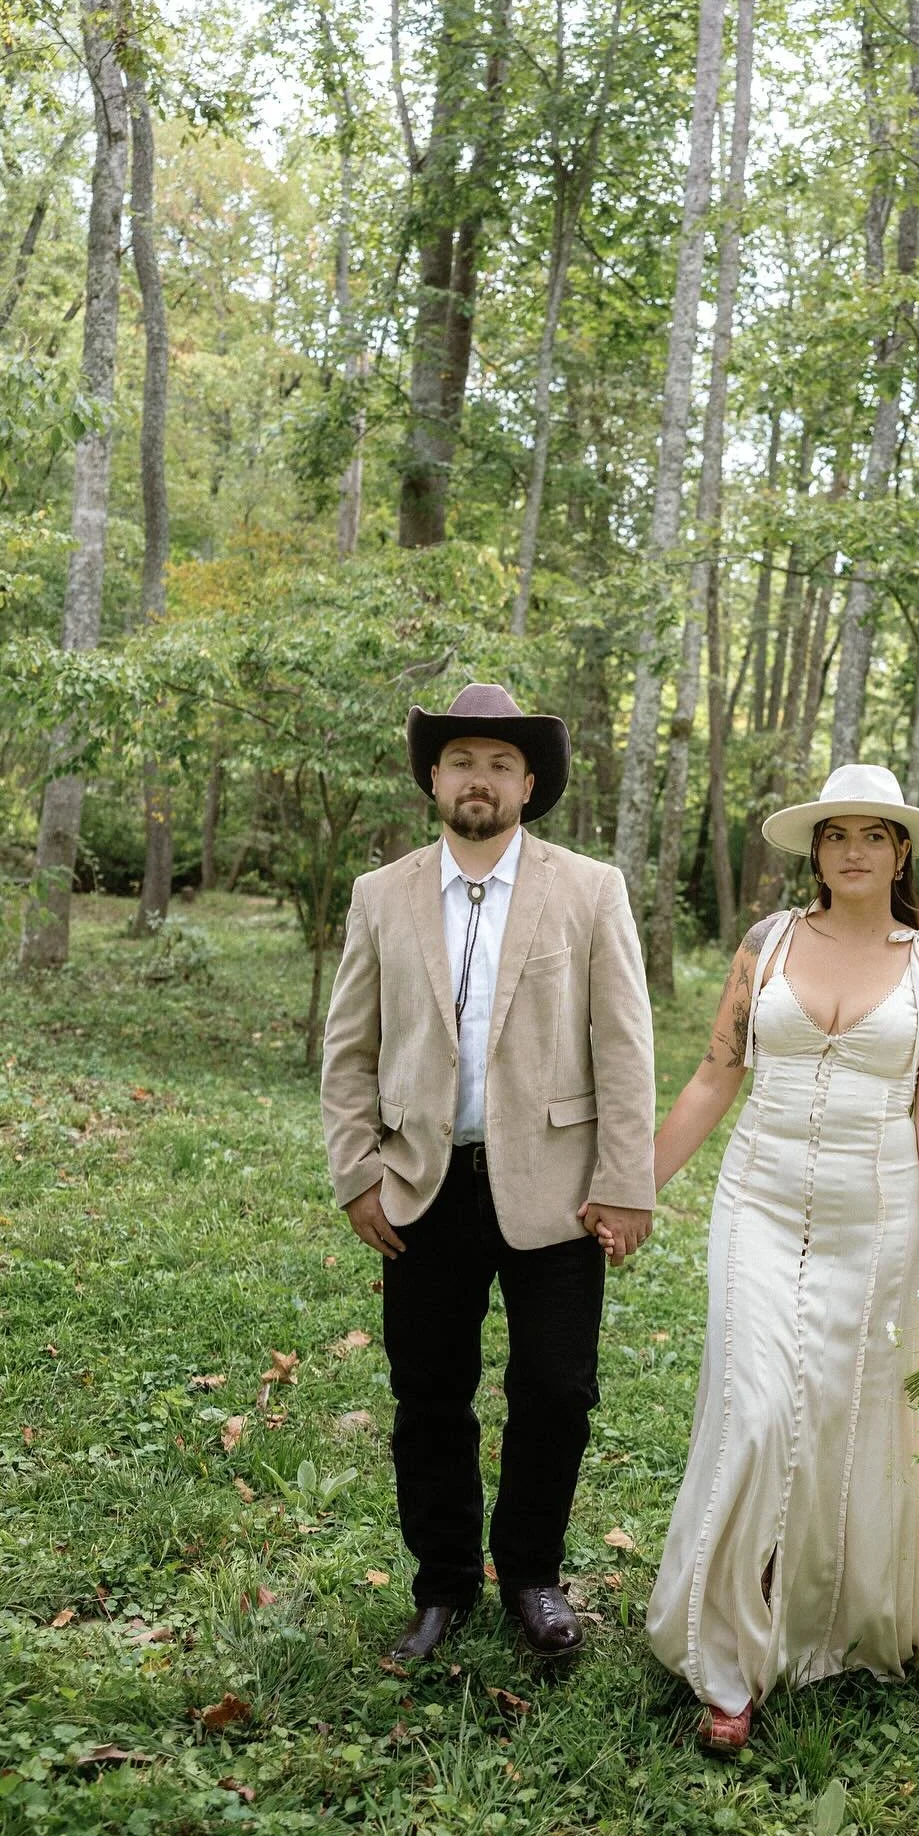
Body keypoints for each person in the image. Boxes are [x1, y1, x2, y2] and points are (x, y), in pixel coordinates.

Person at [640, 763, 919, 1751]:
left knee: (832, 1425)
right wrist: (634, 1189)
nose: (855, 850)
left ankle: (808, 1611)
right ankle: (729, 1666)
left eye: (875, 834)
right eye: (837, 835)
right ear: (816, 850)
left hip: (876, 1229)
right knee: (754, 1414)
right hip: (759, 1206)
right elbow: (714, 1074)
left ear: (902, 851)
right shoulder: (767, 943)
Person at [320, 683, 656, 1664]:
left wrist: (628, 1181)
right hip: (420, 1184)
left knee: (556, 1389)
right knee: (430, 1395)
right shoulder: (381, 896)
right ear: (434, 777)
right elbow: (349, 1051)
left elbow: (624, 1045)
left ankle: (535, 1577)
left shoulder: (588, 890)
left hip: (557, 1185)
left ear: (530, 784)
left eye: (502, 764)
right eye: (463, 760)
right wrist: (357, 1174)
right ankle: (443, 1587)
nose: (481, 778)